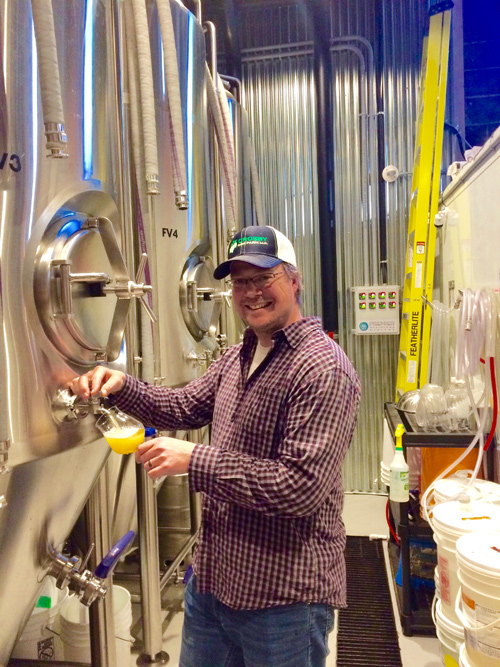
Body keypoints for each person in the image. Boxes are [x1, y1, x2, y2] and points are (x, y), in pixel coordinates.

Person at [69, 225, 361, 667]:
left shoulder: (322, 369)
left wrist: (194, 460)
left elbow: (299, 487)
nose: (251, 292)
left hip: (283, 598)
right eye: (240, 282)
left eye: (264, 278)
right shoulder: (239, 356)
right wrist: (120, 385)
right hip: (213, 582)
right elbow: (182, 405)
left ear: (294, 280)